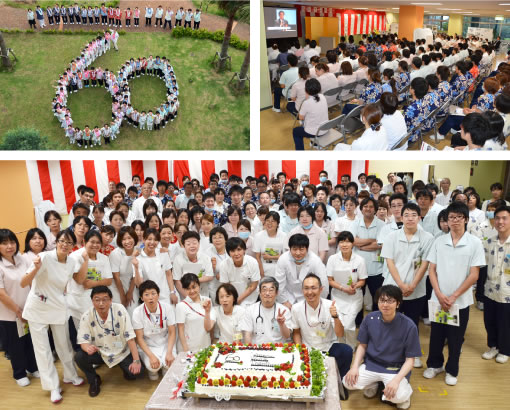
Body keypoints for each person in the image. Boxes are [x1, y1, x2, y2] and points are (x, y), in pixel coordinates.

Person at [424, 202, 485, 386]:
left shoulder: (474, 243)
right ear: (446, 221)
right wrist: (439, 294)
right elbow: (431, 270)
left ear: (466, 219)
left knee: (455, 338)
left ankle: (452, 370)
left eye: (459, 217)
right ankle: (435, 365)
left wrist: (453, 296)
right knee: (436, 334)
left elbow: (474, 275)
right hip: (438, 299)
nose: (455, 220)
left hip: (461, 302)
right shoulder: (439, 241)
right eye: (451, 217)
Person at [21, 230, 85, 404]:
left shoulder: (71, 262)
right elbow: (23, 282)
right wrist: (35, 268)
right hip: (37, 309)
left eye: (69, 242)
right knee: (43, 350)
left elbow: (68, 282)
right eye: (62, 241)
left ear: (73, 246)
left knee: (64, 344)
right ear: (56, 241)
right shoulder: (43, 257)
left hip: (57, 306)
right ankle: (52, 387)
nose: (65, 245)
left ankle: (70, 375)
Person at [343, 285, 421, 410]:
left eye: (390, 301)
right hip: (372, 364)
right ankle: (373, 384)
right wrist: (354, 367)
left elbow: (410, 360)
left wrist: (396, 381)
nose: (385, 304)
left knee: (397, 396)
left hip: (395, 368)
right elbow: (362, 346)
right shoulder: (370, 318)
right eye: (382, 300)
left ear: (398, 303)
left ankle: (405, 394)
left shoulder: (409, 325)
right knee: (348, 382)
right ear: (377, 302)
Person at [381, 203, 434, 368]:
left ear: (419, 217)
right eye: (407, 215)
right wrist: (401, 285)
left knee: (411, 323)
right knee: (390, 321)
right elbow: (389, 263)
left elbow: (425, 264)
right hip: (393, 287)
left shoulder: (428, 238)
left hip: (416, 289)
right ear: (401, 217)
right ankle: (389, 351)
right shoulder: (392, 237)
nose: (410, 218)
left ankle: (413, 354)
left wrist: (412, 285)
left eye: (413, 215)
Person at [75, 286, 143, 397]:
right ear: (92, 301)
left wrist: (136, 360)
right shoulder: (86, 316)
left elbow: (130, 337)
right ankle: (94, 380)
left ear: (111, 300)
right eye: (97, 300)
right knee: (79, 357)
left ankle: (125, 369)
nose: (101, 303)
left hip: (121, 350)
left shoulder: (120, 310)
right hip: (100, 352)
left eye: (105, 299)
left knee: (137, 373)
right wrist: (87, 347)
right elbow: (83, 341)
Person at [291, 273, 353, 385]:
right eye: (306, 288)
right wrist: (300, 350)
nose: (310, 292)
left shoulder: (331, 305)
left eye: (313, 288)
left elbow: (340, 334)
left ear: (321, 289)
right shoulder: (296, 308)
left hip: (328, 347)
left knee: (347, 351)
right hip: (308, 348)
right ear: (302, 290)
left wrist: (335, 316)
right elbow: (296, 332)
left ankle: (340, 383)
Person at [0, 229, 39, 387]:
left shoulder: (21, 259)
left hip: (27, 310)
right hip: (10, 314)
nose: (9, 246)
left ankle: (32, 367)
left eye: (12, 242)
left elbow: (30, 281)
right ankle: (19, 373)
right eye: (4, 243)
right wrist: (18, 311)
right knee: (15, 345)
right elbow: (1, 294)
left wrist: (30, 308)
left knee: (29, 341)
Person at [68, 231, 113, 341]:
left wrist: (94, 283)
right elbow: (79, 280)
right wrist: (86, 261)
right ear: (84, 241)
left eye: (98, 242)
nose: (95, 245)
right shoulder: (74, 256)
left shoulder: (103, 258)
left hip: (99, 301)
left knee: (100, 332)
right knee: (84, 333)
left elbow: (109, 280)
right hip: (80, 301)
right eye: (92, 242)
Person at [327, 231, 367, 348]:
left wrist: (355, 285)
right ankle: (341, 345)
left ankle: (350, 346)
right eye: (342, 242)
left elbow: (362, 280)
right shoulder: (332, 259)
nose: (344, 245)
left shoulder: (359, 260)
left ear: (352, 244)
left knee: (349, 325)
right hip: (338, 296)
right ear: (338, 244)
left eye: (347, 242)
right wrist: (343, 288)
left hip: (354, 296)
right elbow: (330, 280)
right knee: (339, 322)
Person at [481, 205, 510, 364]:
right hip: (490, 289)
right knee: (489, 320)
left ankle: (505, 349)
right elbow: (483, 264)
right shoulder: (490, 241)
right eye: (497, 218)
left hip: (508, 292)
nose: (500, 221)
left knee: (505, 322)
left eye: (504, 218)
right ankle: (493, 346)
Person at [132, 280, 176, 381]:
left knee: (170, 364)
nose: (151, 297)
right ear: (142, 298)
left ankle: (165, 368)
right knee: (153, 367)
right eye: (146, 295)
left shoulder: (167, 308)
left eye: (153, 293)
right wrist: (151, 356)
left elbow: (172, 332)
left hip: (165, 343)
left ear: (158, 295)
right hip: (149, 345)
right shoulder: (137, 312)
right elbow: (139, 338)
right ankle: (153, 371)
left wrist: (169, 353)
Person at [275, 233, 328, 309]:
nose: (298, 253)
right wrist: (284, 301)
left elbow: (323, 284)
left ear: (307, 248)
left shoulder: (315, 261)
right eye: (294, 249)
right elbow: (279, 282)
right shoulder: (283, 259)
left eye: (301, 249)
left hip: (309, 297)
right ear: (289, 249)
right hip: (288, 296)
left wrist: (316, 302)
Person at [351, 198, 386, 311]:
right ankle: (358, 322)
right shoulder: (355, 223)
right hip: (357, 267)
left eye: (371, 207)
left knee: (377, 297)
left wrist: (361, 245)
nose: (368, 209)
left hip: (376, 268)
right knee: (357, 297)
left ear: (375, 209)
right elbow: (352, 241)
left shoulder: (381, 225)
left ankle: (377, 319)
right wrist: (371, 240)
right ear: (361, 209)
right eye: (365, 206)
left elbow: (380, 244)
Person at [133, 228, 178, 306]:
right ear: (144, 240)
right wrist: (136, 267)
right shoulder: (138, 259)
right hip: (150, 299)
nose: (152, 242)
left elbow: (169, 274)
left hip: (166, 297)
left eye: (155, 240)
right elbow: (139, 284)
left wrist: (172, 292)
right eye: (149, 239)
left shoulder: (163, 253)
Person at [241, 277, 292, 345]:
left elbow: (287, 336)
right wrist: (250, 350)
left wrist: (282, 324)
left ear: (277, 292)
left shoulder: (284, 310)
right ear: (259, 292)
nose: (267, 293)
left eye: (271, 290)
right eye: (264, 290)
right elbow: (247, 334)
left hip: (277, 350)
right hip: (257, 350)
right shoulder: (250, 310)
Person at [175, 273, 216, 353]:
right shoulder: (181, 306)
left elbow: (208, 328)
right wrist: (186, 351)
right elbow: (180, 330)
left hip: (204, 345)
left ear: (199, 285)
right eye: (188, 288)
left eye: (194, 287)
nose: (192, 291)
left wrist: (207, 312)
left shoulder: (207, 300)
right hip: (188, 347)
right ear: (184, 289)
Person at [219, 237, 260, 306]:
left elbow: (253, 286)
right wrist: (234, 300)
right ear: (228, 252)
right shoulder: (224, 264)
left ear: (244, 250)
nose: (236, 253)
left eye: (239, 250)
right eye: (232, 251)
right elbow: (226, 286)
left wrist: (239, 299)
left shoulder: (253, 262)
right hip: (233, 299)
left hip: (251, 299)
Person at [172, 231, 213, 298]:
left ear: (199, 243)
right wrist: (188, 297)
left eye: (194, 243)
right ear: (183, 245)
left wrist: (192, 280)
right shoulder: (178, 259)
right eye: (188, 244)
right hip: (185, 297)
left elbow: (210, 276)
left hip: (203, 295)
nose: (192, 246)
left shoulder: (206, 258)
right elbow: (177, 281)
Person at [109, 227, 139, 316]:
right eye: (124, 239)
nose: (127, 242)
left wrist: (130, 292)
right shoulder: (115, 253)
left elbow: (135, 274)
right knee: (119, 312)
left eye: (129, 238)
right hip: (117, 286)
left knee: (133, 311)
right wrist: (122, 295)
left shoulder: (138, 251)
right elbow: (116, 277)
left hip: (131, 285)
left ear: (134, 238)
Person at [293, 78, 328, 150]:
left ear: (306, 90)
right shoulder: (322, 96)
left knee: (296, 131)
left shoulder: (306, 102)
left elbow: (301, 117)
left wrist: (307, 97)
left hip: (315, 132)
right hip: (325, 127)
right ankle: (314, 143)